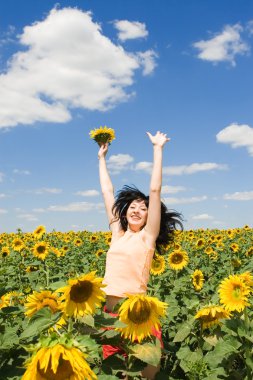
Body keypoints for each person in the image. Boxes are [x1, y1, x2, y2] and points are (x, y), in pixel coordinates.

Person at [98, 131, 183, 379]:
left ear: (149, 216)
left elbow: (154, 190)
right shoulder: (117, 233)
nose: (137, 210)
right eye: (132, 207)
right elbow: (106, 192)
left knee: (147, 375)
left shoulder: (147, 238)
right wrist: (101, 158)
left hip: (139, 318)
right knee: (118, 375)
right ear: (124, 213)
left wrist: (158, 149)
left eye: (143, 209)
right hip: (111, 319)